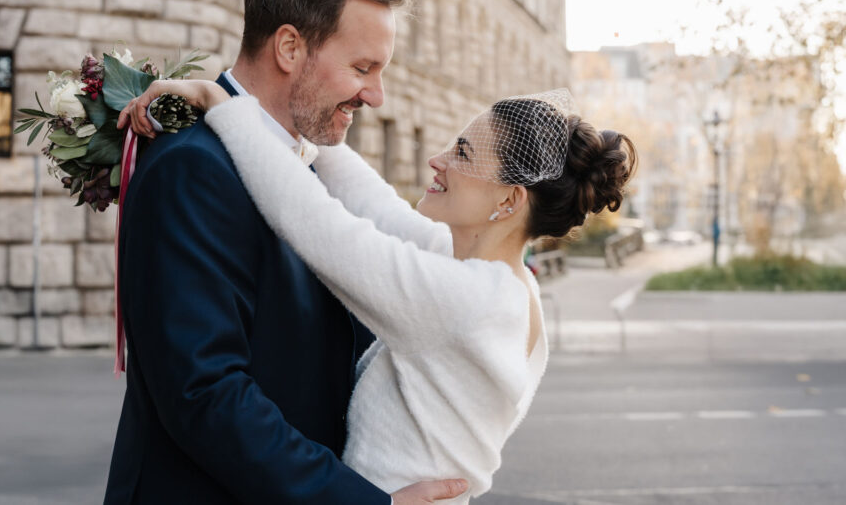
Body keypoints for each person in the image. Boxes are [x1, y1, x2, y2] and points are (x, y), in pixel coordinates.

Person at [123, 80, 637, 503]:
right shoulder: (499, 283)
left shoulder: (466, 301)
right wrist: (302, 114)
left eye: (462, 153)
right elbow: (375, 206)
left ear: (509, 199)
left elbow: (319, 226)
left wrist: (224, 105)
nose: (437, 159)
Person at [105, 0, 467, 505]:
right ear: (290, 47)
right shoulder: (192, 168)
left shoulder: (309, 162)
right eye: (362, 68)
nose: (375, 95)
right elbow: (205, 393)